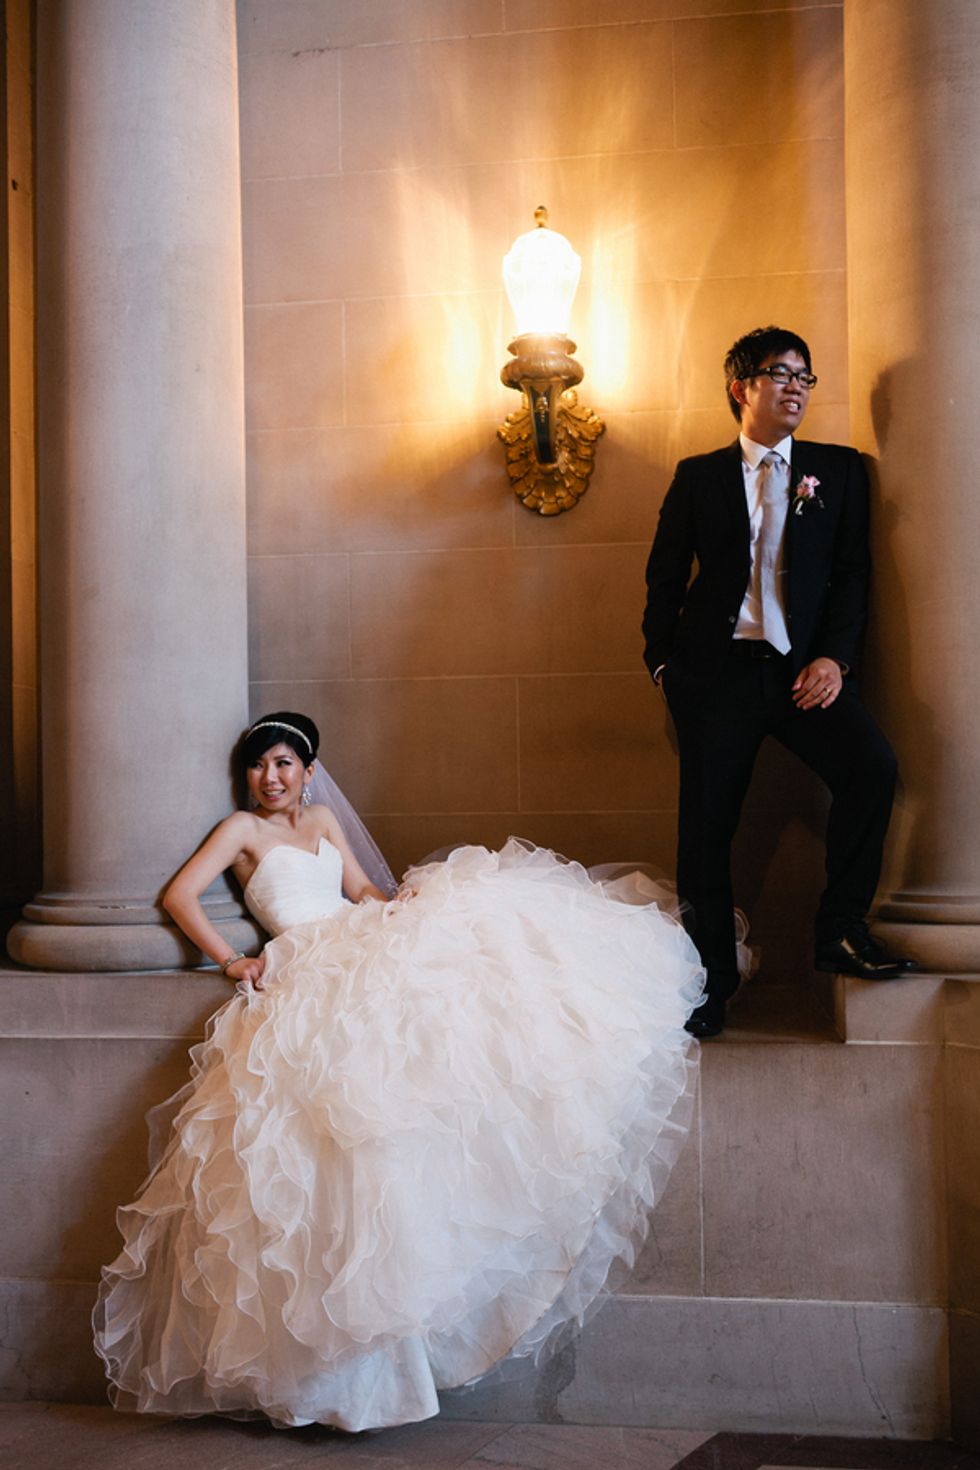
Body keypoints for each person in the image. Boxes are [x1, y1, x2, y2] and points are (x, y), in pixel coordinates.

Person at [93, 711, 704, 1432]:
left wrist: (397, 906)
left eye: (284, 763)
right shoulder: (242, 831)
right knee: (334, 1140)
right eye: (259, 765)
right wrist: (232, 960)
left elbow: (362, 891)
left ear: (309, 771)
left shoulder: (323, 818)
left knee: (450, 1048)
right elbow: (179, 895)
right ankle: (334, 1376)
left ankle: (399, 1339)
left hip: (356, 946)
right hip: (304, 966)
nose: (271, 777)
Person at [643, 325, 916, 1041]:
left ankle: (840, 930)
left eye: (805, 376)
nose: (796, 387)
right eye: (780, 374)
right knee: (705, 833)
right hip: (718, 679)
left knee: (872, 767)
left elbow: (853, 576)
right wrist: (666, 669)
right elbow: (664, 580)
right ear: (741, 387)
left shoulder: (839, 470)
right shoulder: (698, 476)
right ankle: (712, 984)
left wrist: (836, 661)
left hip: (801, 674)